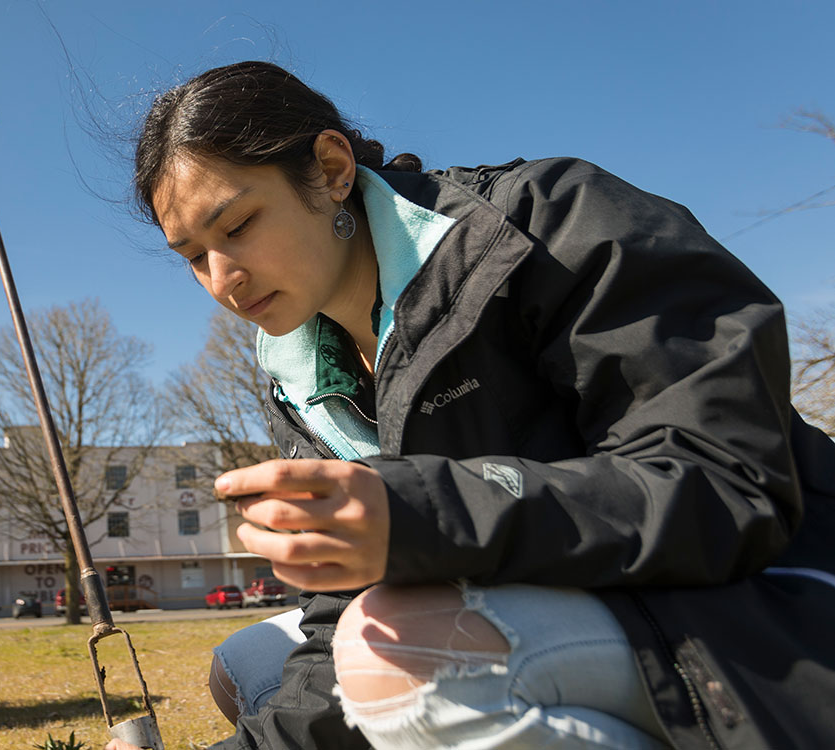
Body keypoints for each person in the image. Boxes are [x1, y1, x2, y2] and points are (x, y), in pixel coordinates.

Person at [110, 61, 835, 750]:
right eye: (191, 256)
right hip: (570, 610)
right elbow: (339, 614)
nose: (222, 280)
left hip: (763, 605)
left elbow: (723, 482)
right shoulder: (302, 375)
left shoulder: (546, 224)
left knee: (391, 657)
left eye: (235, 227)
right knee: (249, 668)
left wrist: (422, 515)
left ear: (330, 170)